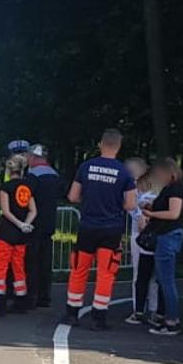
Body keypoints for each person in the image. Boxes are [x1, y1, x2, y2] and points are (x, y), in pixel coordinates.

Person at [63, 129, 138, 329]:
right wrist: (115, 206)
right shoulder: (124, 172)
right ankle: (99, 317)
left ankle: (72, 312)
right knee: (106, 272)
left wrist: (88, 202)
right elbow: (131, 204)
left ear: (100, 144)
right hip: (111, 228)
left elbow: (72, 196)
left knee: (79, 269)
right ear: (118, 147)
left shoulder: (86, 167)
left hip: (87, 225)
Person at [139, 156, 183, 335]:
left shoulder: (175, 189)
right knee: (163, 279)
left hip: (168, 235)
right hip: (166, 235)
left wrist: (152, 214)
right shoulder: (169, 189)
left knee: (166, 280)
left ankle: (172, 320)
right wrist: (151, 206)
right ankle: (168, 318)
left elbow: (173, 213)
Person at [0, 154, 38, 312]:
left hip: (6, 232)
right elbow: (33, 210)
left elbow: (5, 211)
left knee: (1, 267)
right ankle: (21, 301)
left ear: (9, 169)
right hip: (21, 235)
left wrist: (18, 224)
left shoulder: (6, 187)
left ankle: (0, 303)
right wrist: (25, 224)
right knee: (19, 267)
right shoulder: (27, 187)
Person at [125, 157, 164, 326]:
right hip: (140, 234)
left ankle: (149, 309)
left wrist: (143, 215)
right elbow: (131, 207)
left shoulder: (156, 187)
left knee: (149, 273)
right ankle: (141, 308)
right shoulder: (132, 187)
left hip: (150, 233)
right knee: (142, 273)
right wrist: (140, 215)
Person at [25, 144, 63, 307]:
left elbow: (26, 198)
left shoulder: (32, 176)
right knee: (45, 260)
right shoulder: (54, 175)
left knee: (31, 261)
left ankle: (31, 295)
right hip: (49, 223)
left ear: (33, 158)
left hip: (33, 223)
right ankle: (44, 296)